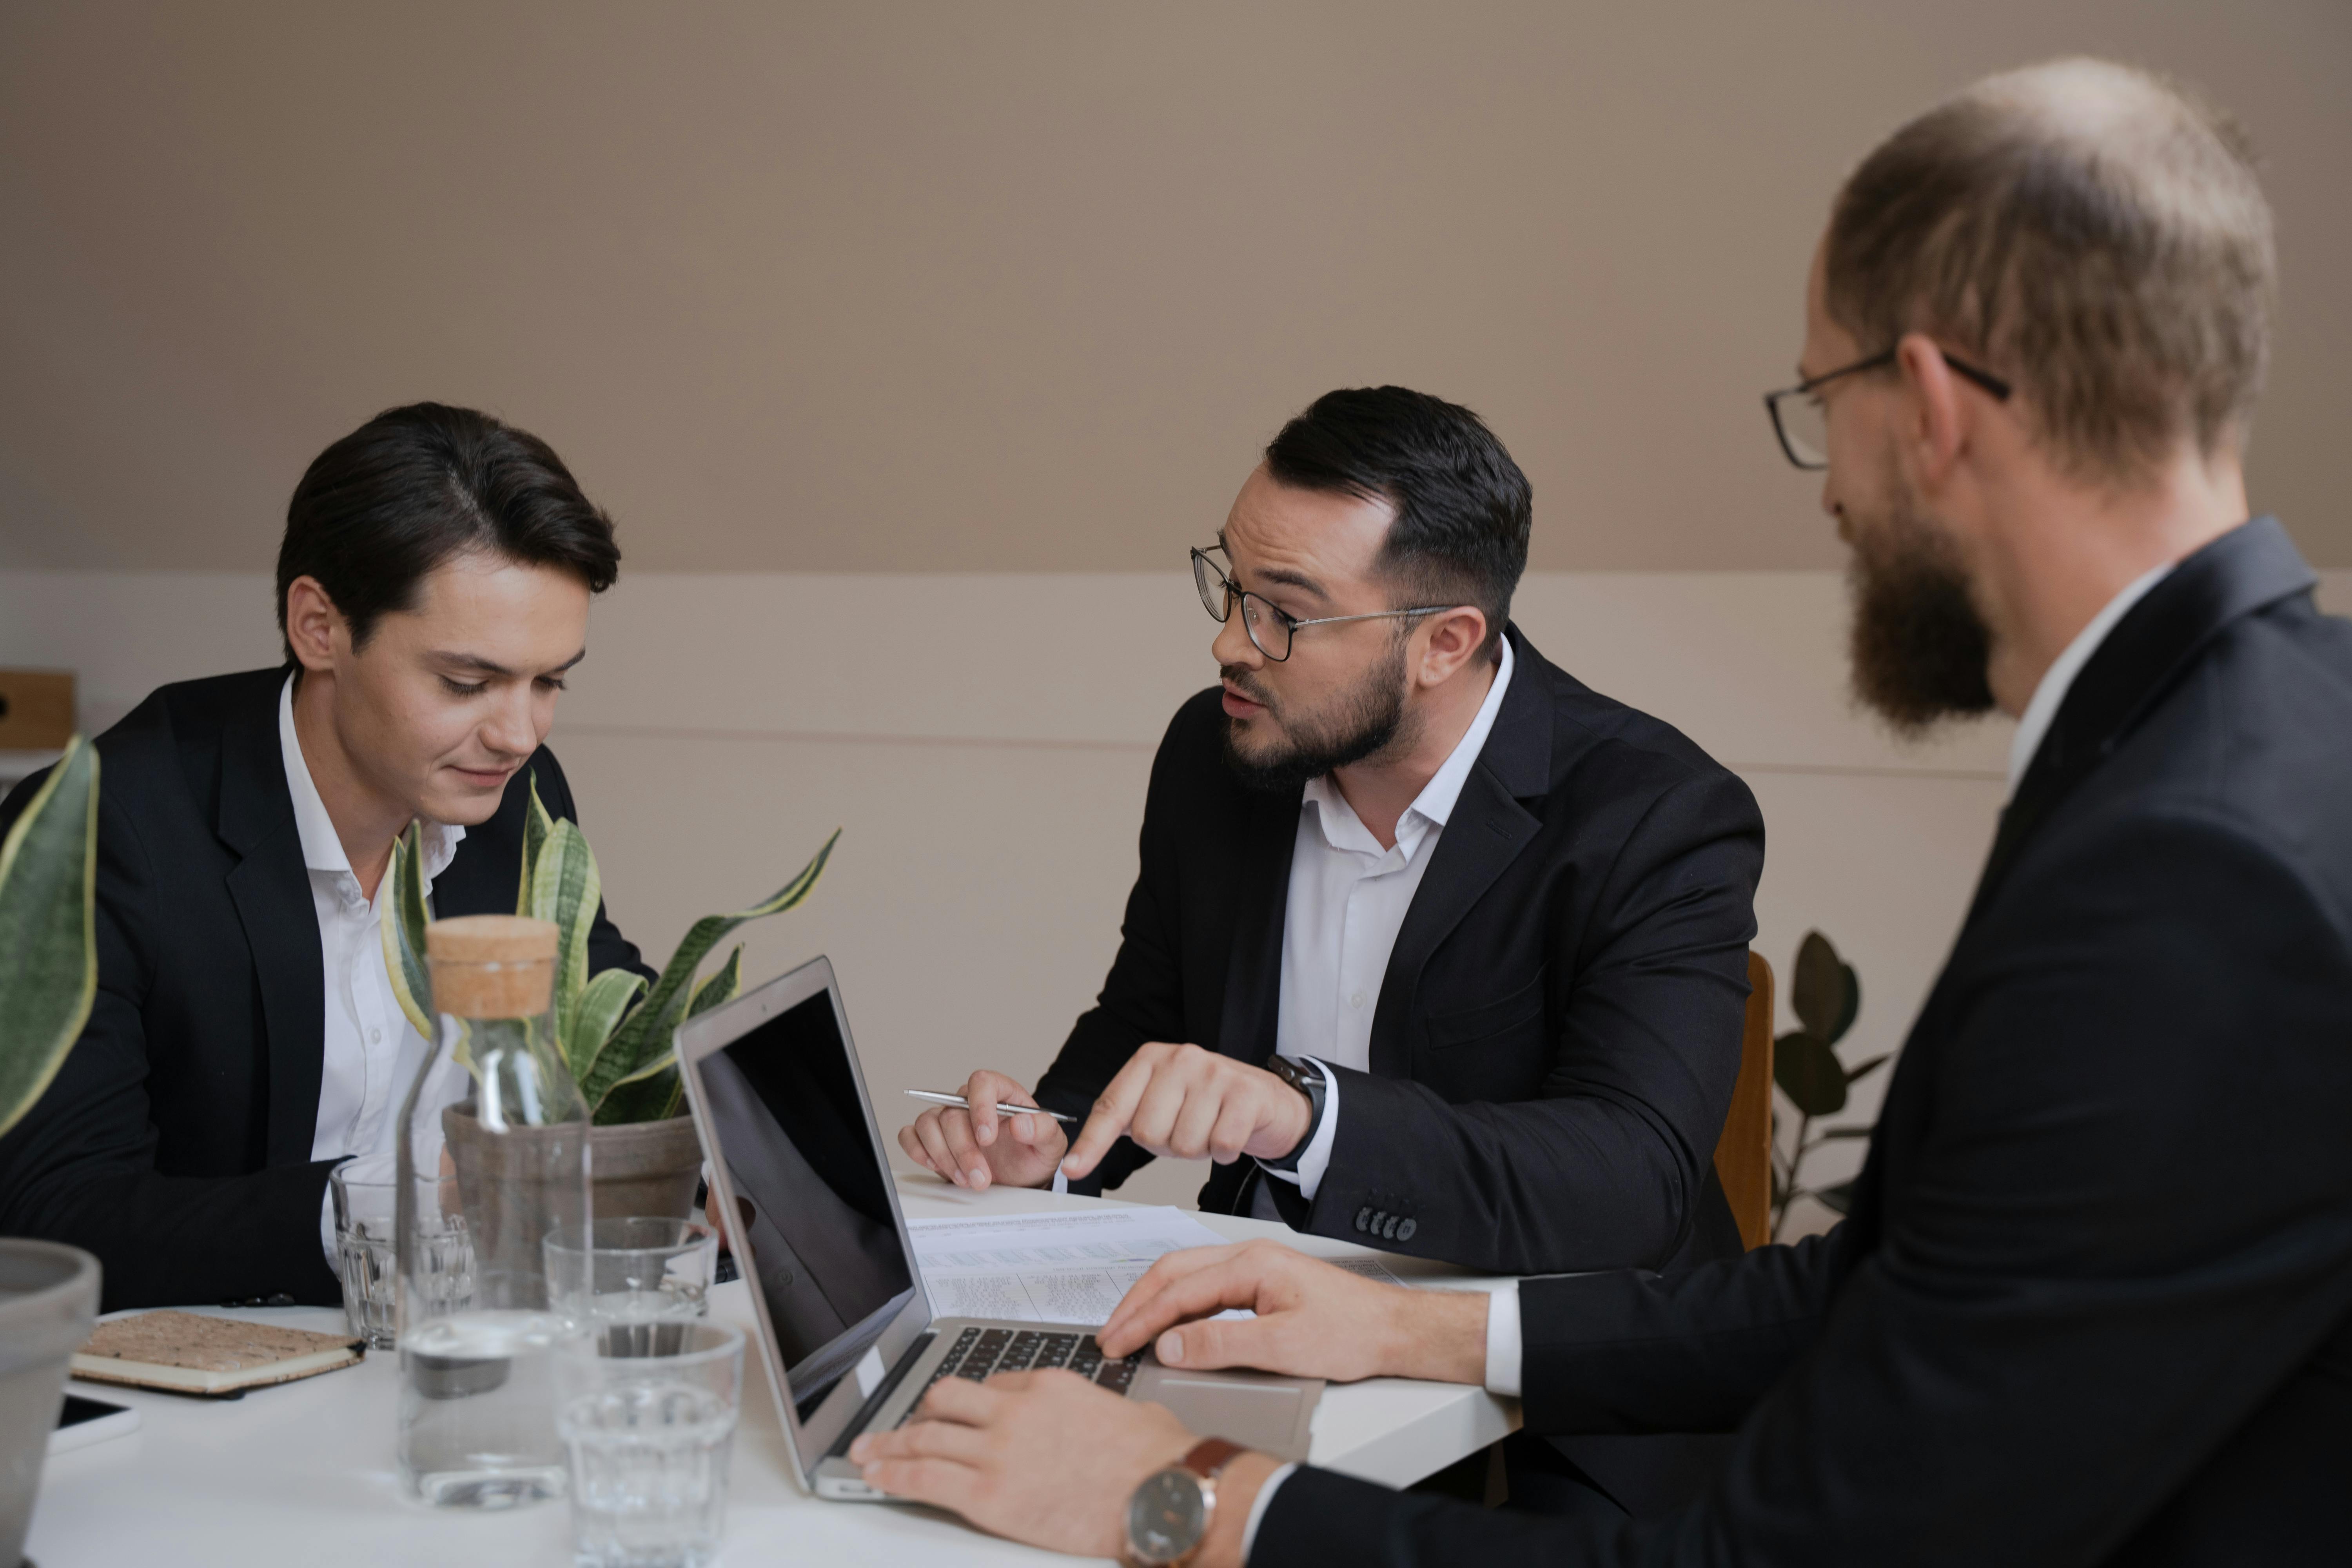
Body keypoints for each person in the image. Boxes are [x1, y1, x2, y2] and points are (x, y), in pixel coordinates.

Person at [847, 58, 2352, 1565]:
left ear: (1937, 409)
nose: (1829, 496)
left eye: (1825, 403)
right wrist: (1404, 1328)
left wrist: (1176, 1504)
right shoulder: (2261, 738)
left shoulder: (2188, 866)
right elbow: (1884, 1294)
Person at [901, 387, 1767, 1283]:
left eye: (1286, 612)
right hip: (1254, 1318)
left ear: (1444, 643)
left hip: (1530, 1369)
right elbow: (1150, 1018)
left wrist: (1311, 1119)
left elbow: (1631, 1178)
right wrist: (1049, 1144)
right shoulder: (1218, 751)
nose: (1231, 644)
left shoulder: (1656, 813)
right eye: (1232, 586)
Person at [0, 403, 647, 1312]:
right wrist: (392, 1210)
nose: (517, 733)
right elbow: (57, 1213)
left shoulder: (515, 800)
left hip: (455, 1345)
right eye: (468, 682)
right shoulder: (106, 838)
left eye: (550, 681)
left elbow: (625, 1028)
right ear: (319, 626)